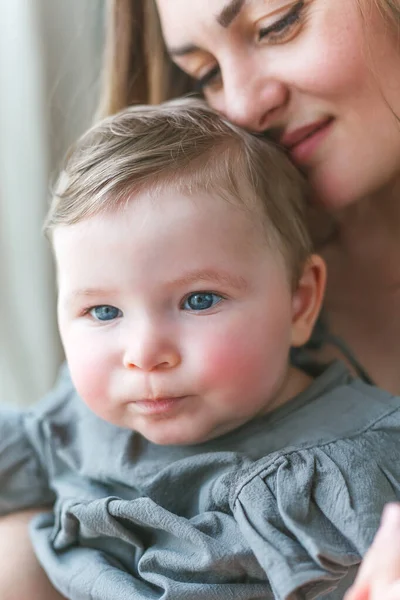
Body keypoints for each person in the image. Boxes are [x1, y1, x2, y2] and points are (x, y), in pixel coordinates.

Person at [2, 0, 400, 595]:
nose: (241, 107)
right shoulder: (79, 419)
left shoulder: (350, 466)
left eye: (278, 23)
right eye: (205, 73)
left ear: (299, 300)